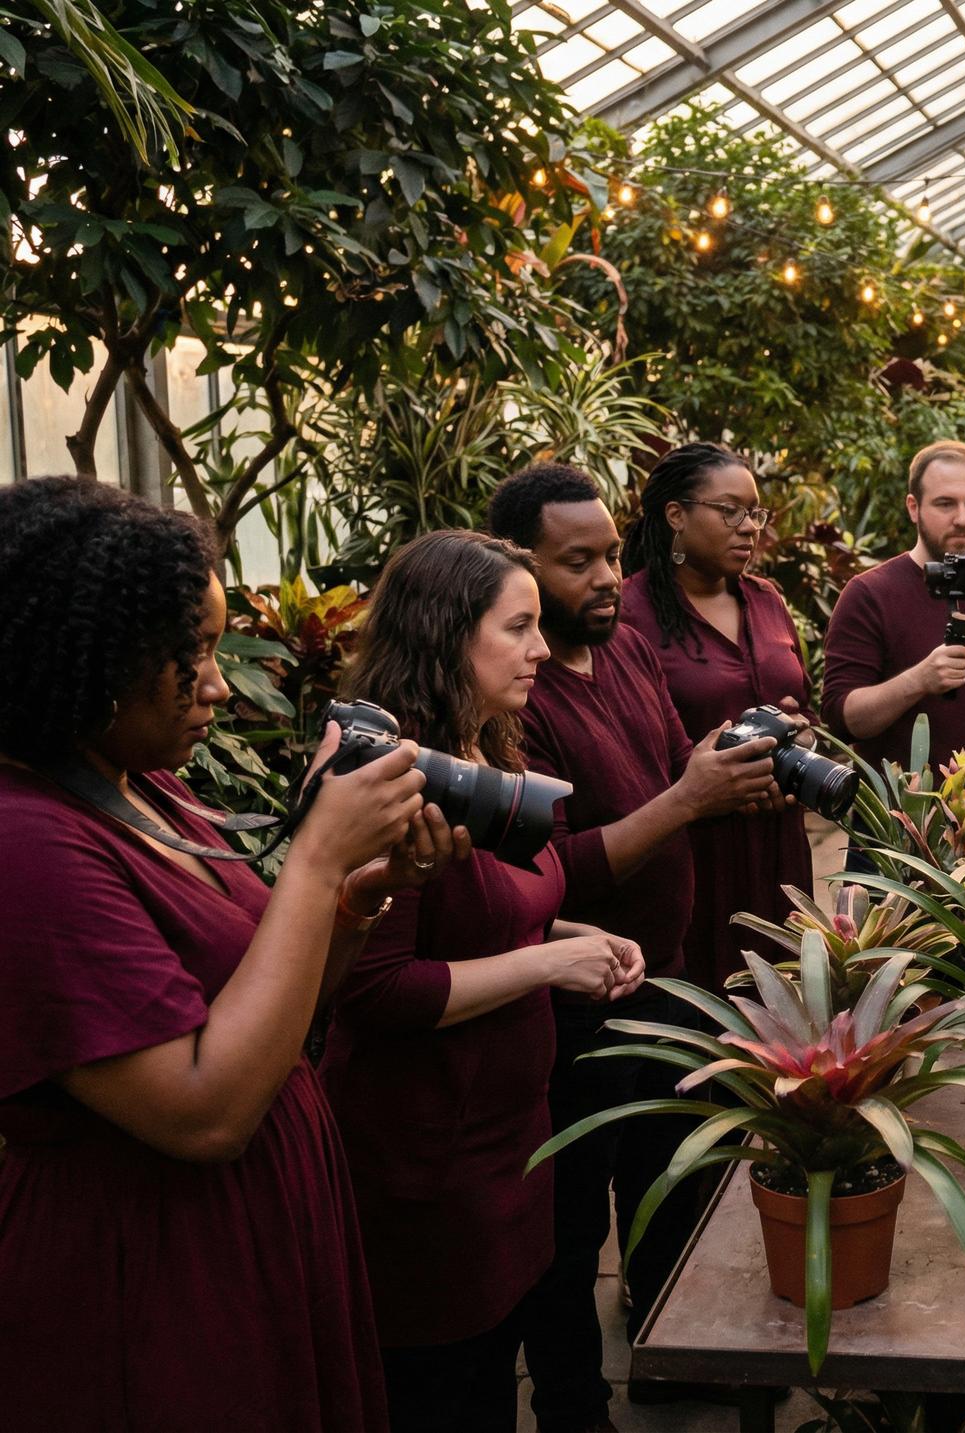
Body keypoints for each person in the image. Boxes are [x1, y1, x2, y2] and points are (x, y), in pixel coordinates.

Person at [0, 477, 433, 1431]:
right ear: (81, 654)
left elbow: (265, 1012)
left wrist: (352, 902)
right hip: (149, 1270)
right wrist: (316, 858)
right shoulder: (26, 843)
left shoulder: (140, 784)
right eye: (186, 651)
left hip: (246, 1230)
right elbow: (202, 1113)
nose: (215, 681)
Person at [319, 530, 646, 1433]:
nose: (544, 647)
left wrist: (579, 934)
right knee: (447, 1394)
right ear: (446, 634)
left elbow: (501, 910)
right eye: (520, 627)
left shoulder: (479, 744)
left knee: (493, 1373)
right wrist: (548, 963)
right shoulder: (390, 776)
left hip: (509, 1146)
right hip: (430, 1165)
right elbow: (375, 990)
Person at [485, 462, 782, 1431]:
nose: (610, 576)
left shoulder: (623, 650)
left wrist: (721, 775)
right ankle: (576, 1406)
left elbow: (664, 766)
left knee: (673, 1178)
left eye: (613, 553)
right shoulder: (514, 700)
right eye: (580, 562)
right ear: (520, 571)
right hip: (574, 999)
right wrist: (689, 799)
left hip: (665, 969)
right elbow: (548, 866)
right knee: (571, 1231)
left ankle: (665, 1354)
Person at [614, 443, 815, 989]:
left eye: (756, 513)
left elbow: (805, 708)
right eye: (730, 512)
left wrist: (803, 740)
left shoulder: (767, 600)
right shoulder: (629, 614)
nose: (749, 527)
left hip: (779, 846)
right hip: (691, 854)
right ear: (676, 514)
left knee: (785, 1014)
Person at [823, 439, 965, 772]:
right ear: (914, 507)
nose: (961, 518)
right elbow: (842, 719)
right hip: (899, 818)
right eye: (945, 504)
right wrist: (918, 681)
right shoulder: (869, 594)